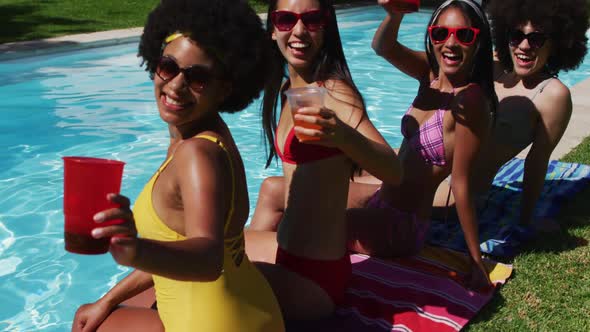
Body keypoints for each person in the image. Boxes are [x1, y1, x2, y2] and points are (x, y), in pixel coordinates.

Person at [250, 0, 498, 292]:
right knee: (273, 188)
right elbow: (383, 47)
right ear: (430, 36)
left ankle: (266, 273)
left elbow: (461, 183)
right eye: (441, 33)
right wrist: (394, 15)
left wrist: (475, 260)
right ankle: (262, 270)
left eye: (464, 35)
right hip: (383, 196)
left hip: (399, 225)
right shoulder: (431, 76)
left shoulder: (468, 100)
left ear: (478, 41)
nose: (451, 43)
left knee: (311, 219)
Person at [71, 0, 284, 331]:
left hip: (212, 322)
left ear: (225, 88)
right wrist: (109, 299)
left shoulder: (196, 154)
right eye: (168, 67)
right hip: (250, 309)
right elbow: (179, 247)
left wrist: (134, 250)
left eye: (197, 77)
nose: (175, 86)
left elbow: (207, 258)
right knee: (101, 309)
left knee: (87, 323)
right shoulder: (208, 135)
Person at [245, 0, 403, 320]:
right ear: (272, 29)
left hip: (314, 277)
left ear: (326, 26)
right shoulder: (290, 87)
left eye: (312, 19)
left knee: (201, 279)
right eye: (286, 19)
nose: (299, 30)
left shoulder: (335, 91)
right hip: (285, 253)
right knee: (203, 252)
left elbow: (394, 170)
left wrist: (344, 136)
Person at [433, 0, 589, 232]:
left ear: (557, 43)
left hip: (451, 191)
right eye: (516, 36)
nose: (524, 46)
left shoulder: (552, 95)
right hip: (425, 164)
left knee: (362, 196)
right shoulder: (494, 70)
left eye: (536, 38)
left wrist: (526, 220)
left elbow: (537, 162)